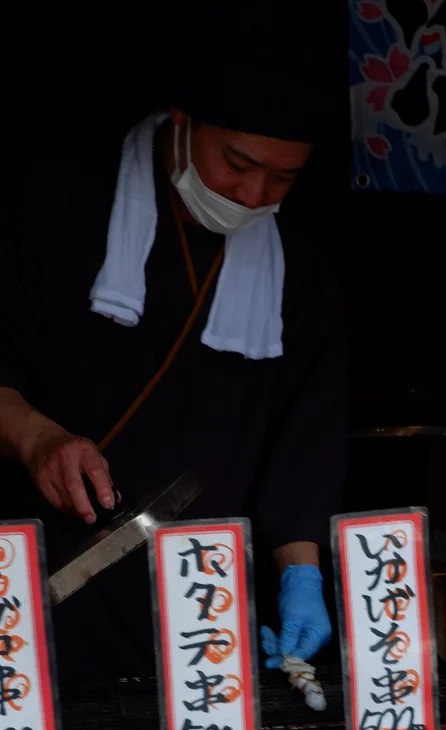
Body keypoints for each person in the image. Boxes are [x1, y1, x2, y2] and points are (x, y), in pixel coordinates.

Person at [0, 6, 344, 684]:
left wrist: (300, 576)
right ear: (182, 121)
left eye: (283, 179)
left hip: (204, 604)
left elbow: (305, 444)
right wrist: (37, 439)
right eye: (238, 163)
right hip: (46, 580)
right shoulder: (51, 204)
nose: (254, 195)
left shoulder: (299, 270)